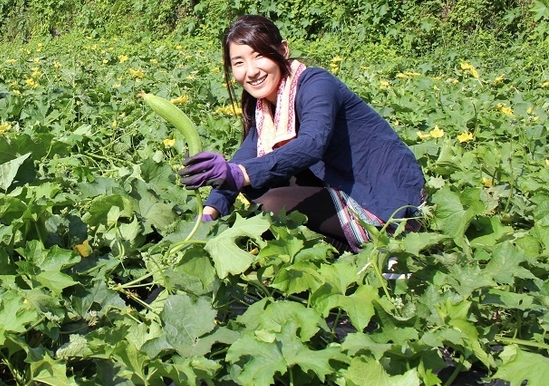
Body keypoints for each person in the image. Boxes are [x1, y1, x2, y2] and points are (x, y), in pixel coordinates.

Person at [178, 15, 425, 253]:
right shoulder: (265, 108)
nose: (251, 71)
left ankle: (359, 244)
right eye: (239, 62)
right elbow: (243, 162)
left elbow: (312, 144)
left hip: (380, 193)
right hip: (339, 183)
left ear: (283, 50)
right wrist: (209, 213)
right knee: (256, 184)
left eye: (259, 55)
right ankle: (331, 241)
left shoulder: (316, 83)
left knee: (270, 202)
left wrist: (239, 173)